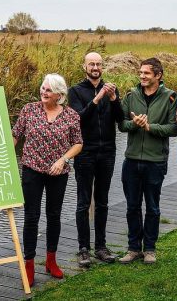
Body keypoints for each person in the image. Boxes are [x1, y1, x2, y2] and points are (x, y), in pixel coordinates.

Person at [12, 73, 83, 286]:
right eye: (43, 88)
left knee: (54, 216)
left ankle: (51, 261)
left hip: (57, 172)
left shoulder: (71, 115)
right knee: (31, 217)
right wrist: (2, 154)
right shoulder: (29, 110)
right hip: (32, 169)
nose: (44, 92)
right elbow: (15, 135)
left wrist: (63, 160)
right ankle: (29, 263)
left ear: (59, 95)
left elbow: (78, 143)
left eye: (49, 90)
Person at [118, 57, 177, 264]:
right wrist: (135, 124)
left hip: (155, 161)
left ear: (158, 75)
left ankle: (150, 249)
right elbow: (122, 125)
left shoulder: (170, 97)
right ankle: (133, 248)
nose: (142, 76)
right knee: (132, 206)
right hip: (132, 160)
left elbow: (174, 128)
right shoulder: (131, 95)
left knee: (152, 207)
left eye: (146, 73)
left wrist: (149, 127)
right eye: (141, 73)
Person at [68, 52, 124, 267]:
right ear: (85, 66)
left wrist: (113, 99)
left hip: (108, 151)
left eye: (99, 64)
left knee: (102, 201)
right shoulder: (75, 91)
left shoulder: (112, 89)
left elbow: (120, 121)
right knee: (83, 202)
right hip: (85, 152)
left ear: (102, 67)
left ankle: (101, 247)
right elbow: (77, 120)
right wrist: (97, 99)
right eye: (91, 63)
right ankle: (83, 248)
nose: (95, 67)